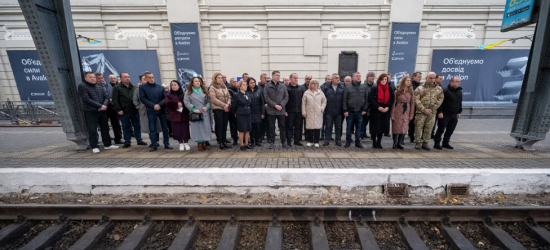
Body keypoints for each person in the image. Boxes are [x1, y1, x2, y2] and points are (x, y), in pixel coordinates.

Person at [78, 72, 119, 153]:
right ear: (85, 78)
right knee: (92, 129)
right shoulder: (82, 86)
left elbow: (106, 96)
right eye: (90, 77)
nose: (93, 78)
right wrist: (99, 106)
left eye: (93, 77)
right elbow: (86, 99)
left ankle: (107, 144)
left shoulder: (100, 85)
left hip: (103, 111)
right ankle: (94, 146)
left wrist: (104, 105)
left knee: (105, 128)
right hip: (91, 111)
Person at [139, 71, 173, 152]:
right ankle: (154, 145)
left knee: (165, 127)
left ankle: (166, 143)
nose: (151, 79)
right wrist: (153, 105)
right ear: (146, 78)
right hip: (151, 110)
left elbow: (165, 98)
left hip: (161, 110)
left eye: (152, 77)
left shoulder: (160, 87)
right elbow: (142, 98)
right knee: (152, 128)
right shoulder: (143, 87)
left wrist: (159, 105)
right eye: (149, 77)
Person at [112, 72, 147, 148]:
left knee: (137, 126)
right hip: (124, 111)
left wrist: (139, 108)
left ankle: (139, 140)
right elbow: (115, 100)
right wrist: (119, 109)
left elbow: (138, 99)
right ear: (121, 78)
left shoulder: (134, 87)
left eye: (128, 77)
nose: (127, 78)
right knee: (126, 127)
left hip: (134, 111)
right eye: (125, 77)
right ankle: (127, 141)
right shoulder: (117, 88)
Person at [414, 72, 444, 150]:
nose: (432, 80)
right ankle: (417, 142)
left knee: (429, 128)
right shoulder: (420, 88)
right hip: (421, 112)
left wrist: (432, 108)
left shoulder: (438, 89)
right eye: (430, 78)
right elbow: (416, 99)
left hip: (432, 112)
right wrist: (423, 109)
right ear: (426, 78)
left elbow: (440, 99)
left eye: (433, 78)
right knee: (419, 127)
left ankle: (425, 143)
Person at [184, 77, 212, 151]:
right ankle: (199, 143)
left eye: (199, 81)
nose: (197, 82)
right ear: (192, 83)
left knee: (204, 128)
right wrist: (193, 109)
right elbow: (186, 102)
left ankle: (204, 142)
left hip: (204, 112)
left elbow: (209, 101)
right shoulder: (188, 92)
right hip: (195, 113)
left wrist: (207, 107)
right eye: (196, 81)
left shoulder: (204, 90)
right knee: (197, 129)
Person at [434, 77, 462, 150]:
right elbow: (440, 102)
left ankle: (445, 143)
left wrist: (459, 111)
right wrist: (440, 112)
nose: (459, 83)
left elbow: (460, 102)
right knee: (441, 129)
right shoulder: (445, 90)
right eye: (457, 81)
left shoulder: (459, 91)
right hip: (445, 114)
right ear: (451, 82)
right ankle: (437, 143)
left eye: (459, 81)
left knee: (450, 130)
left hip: (454, 114)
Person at [343, 72, 369, 148]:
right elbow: (344, 100)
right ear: (353, 77)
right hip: (350, 112)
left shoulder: (363, 87)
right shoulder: (348, 87)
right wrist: (345, 110)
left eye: (359, 76)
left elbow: (366, 99)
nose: (358, 77)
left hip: (360, 112)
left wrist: (365, 109)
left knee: (358, 128)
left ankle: (358, 142)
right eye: (357, 76)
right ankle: (348, 142)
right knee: (349, 128)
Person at [264, 70, 289, 149]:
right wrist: (275, 105)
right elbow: (266, 97)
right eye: (277, 75)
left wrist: (281, 105)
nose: (278, 76)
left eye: (279, 75)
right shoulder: (267, 86)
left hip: (281, 110)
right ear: (273, 76)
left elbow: (286, 97)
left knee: (282, 127)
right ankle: (272, 142)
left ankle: (283, 142)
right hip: (271, 110)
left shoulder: (282, 86)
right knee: (271, 127)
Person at [368, 74, 394, 149]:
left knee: (382, 127)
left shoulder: (389, 88)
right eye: (382, 79)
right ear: (379, 80)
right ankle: (374, 142)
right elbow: (370, 98)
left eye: (385, 79)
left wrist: (388, 107)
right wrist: (378, 107)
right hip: (376, 110)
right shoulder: (375, 87)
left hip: (385, 109)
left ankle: (379, 142)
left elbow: (392, 98)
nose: (384, 81)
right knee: (375, 127)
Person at [134, 75, 160, 147]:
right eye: (144, 79)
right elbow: (135, 100)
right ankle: (152, 141)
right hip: (144, 111)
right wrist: (139, 107)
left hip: (154, 109)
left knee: (156, 126)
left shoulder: (154, 87)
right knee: (149, 127)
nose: (146, 80)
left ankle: (156, 141)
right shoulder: (138, 89)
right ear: (141, 81)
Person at [96, 73, 122, 144]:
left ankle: (118, 138)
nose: (101, 79)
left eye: (102, 78)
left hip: (112, 107)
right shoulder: (95, 87)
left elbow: (112, 95)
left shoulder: (109, 86)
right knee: (104, 125)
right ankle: (107, 139)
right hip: (103, 108)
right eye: (99, 78)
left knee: (116, 124)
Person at [209, 72, 232, 150]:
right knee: (219, 126)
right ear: (215, 79)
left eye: (221, 78)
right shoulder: (212, 87)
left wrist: (228, 104)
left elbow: (229, 97)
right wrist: (223, 105)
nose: (220, 79)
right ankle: (220, 142)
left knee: (225, 126)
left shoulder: (224, 87)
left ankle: (224, 141)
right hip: (218, 109)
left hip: (225, 109)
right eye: (218, 78)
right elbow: (213, 99)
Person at [166, 80, 191, 151]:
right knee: (177, 130)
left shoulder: (183, 94)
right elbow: (167, 103)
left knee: (185, 129)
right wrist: (176, 103)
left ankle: (186, 143)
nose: (173, 86)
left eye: (175, 85)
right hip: (174, 115)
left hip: (184, 114)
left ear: (179, 86)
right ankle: (180, 143)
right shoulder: (169, 94)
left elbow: (187, 101)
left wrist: (182, 103)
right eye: (172, 85)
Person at [391, 76, 415, 150]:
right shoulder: (397, 91)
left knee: (403, 127)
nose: (409, 82)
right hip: (398, 109)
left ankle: (399, 143)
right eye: (407, 80)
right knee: (396, 127)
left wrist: (411, 114)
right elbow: (394, 103)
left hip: (406, 110)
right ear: (403, 81)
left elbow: (412, 103)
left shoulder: (411, 92)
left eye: (409, 81)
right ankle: (394, 143)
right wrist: (392, 113)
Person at [302, 79, 327, 147]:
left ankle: (316, 141)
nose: (315, 85)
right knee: (310, 128)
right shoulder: (306, 93)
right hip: (309, 112)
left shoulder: (320, 92)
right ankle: (310, 141)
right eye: (313, 83)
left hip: (318, 112)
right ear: (310, 84)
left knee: (317, 127)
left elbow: (324, 101)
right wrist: (304, 112)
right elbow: (303, 103)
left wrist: (322, 108)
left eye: (316, 84)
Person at [322, 73, 345, 146]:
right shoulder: (326, 87)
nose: (338, 79)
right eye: (336, 78)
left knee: (338, 126)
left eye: (338, 77)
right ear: (332, 79)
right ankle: (327, 140)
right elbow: (323, 99)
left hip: (339, 111)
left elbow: (345, 99)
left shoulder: (342, 87)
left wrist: (344, 109)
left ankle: (338, 140)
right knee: (328, 126)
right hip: (329, 110)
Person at [231, 79, 253, 151]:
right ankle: (241, 144)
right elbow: (233, 105)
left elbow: (249, 103)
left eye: (246, 85)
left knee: (247, 129)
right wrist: (234, 113)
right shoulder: (236, 95)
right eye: (244, 85)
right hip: (240, 114)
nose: (245, 86)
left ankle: (246, 143)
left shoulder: (247, 94)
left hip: (248, 113)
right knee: (241, 129)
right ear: (240, 86)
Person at [285, 73, 304, 147]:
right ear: (290, 79)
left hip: (298, 111)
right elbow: (285, 100)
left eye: (297, 78)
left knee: (298, 127)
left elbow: (303, 100)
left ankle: (297, 141)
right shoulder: (287, 88)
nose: (296, 79)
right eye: (294, 78)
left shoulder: (300, 88)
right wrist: (285, 110)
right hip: (290, 111)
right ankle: (289, 141)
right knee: (289, 127)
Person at [247, 77, 265, 147]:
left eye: (253, 82)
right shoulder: (246, 91)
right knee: (251, 129)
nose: (252, 84)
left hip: (258, 112)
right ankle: (252, 141)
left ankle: (257, 141)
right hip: (250, 113)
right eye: (251, 83)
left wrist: (262, 113)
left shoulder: (258, 91)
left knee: (258, 128)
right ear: (248, 84)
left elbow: (262, 103)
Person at [360, 72, 376, 140]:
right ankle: (361, 134)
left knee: (371, 122)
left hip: (372, 106)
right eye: (371, 76)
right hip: (364, 106)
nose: (372, 77)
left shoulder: (375, 86)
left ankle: (370, 134)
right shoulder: (363, 86)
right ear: (367, 77)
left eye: (373, 76)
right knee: (363, 121)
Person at [408, 71, 423, 143]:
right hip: (410, 107)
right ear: (413, 77)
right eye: (418, 77)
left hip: (419, 107)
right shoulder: (410, 85)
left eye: (420, 77)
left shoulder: (421, 86)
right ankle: (410, 136)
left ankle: (414, 136)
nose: (420, 78)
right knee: (410, 123)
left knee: (416, 123)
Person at [431, 74, 444, 139]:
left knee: (435, 122)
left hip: (438, 108)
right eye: (440, 78)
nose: (442, 80)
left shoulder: (441, 88)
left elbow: (441, 100)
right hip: (431, 107)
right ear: (436, 79)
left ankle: (432, 133)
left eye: (442, 79)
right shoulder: (432, 86)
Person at [227, 78, 239, 145]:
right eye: (234, 82)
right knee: (233, 126)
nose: (235, 83)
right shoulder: (229, 90)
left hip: (239, 110)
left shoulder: (237, 89)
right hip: (232, 111)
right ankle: (234, 139)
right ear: (231, 83)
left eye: (236, 82)